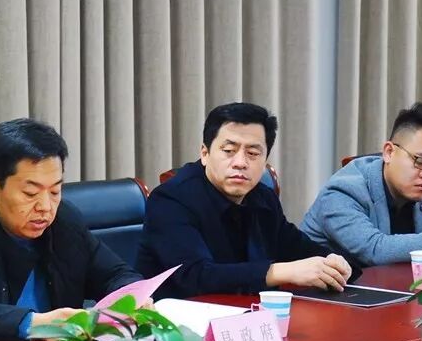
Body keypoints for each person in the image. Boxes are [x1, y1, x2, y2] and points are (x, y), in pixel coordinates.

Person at [0, 118, 142, 341]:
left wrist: (134, 297)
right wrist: (35, 324)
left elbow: (115, 274)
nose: (45, 207)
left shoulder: (64, 220)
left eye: (55, 191)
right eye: (30, 193)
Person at [136, 102, 356, 298]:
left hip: (249, 317)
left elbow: (296, 247)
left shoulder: (262, 198)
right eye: (229, 150)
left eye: (253, 153)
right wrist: (280, 271)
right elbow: (195, 276)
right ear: (205, 153)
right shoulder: (171, 199)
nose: (240, 162)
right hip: (179, 323)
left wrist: (334, 262)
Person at [301, 102, 422, 265]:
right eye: (420, 161)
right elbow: (375, 250)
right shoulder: (342, 192)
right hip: (321, 295)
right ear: (389, 152)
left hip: (390, 291)